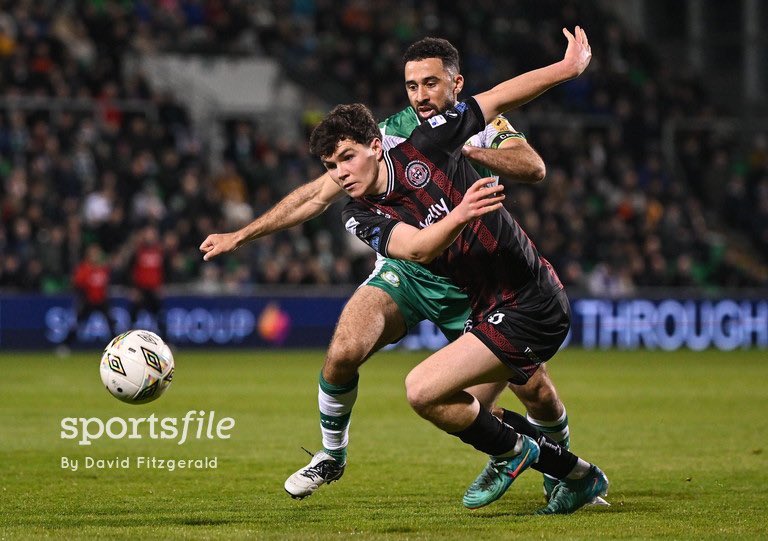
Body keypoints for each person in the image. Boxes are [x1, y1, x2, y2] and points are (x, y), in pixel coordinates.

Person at [200, 38, 575, 502]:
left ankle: (562, 470)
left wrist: (465, 153)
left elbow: (533, 167)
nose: (420, 95)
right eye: (412, 86)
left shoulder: (481, 124)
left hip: (472, 279)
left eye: (431, 84)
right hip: (408, 267)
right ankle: (331, 454)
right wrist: (241, 235)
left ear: (456, 83)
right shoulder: (393, 133)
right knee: (343, 350)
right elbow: (318, 194)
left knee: (525, 392)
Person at [308, 26, 607, 514]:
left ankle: (518, 455)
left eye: (346, 158)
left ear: (374, 146)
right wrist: (461, 213)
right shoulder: (358, 214)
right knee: (465, 406)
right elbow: (420, 249)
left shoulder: (432, 142)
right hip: (490, 309)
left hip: (530, 299)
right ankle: (573, 474)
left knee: (423, 390)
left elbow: (500, 98)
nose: (340, 173)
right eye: (330, 165)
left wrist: (567, 68)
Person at [63, 243, 116, 352]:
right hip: (88, 301)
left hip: (101, 301)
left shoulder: (103, 269)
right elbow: (77, 284)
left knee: (111, 324)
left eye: (97, 254)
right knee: (78, 323)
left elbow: (107, 284)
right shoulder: (84, 268)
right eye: (93, 254)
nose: (95, 256)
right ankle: (65, 346)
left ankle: (116, 347)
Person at [130, 224, 166, 337]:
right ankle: (126, 340)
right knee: (133, 317)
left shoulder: (159, 251)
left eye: (152, 234)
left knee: (160, 317)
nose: (150, 236)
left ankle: (166, 341)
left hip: (154, 290)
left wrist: (162, 286)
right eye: (148, 234)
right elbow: (131, 271)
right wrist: (134, 289)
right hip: (141, 290)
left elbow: (164, 271)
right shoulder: (138, 251)